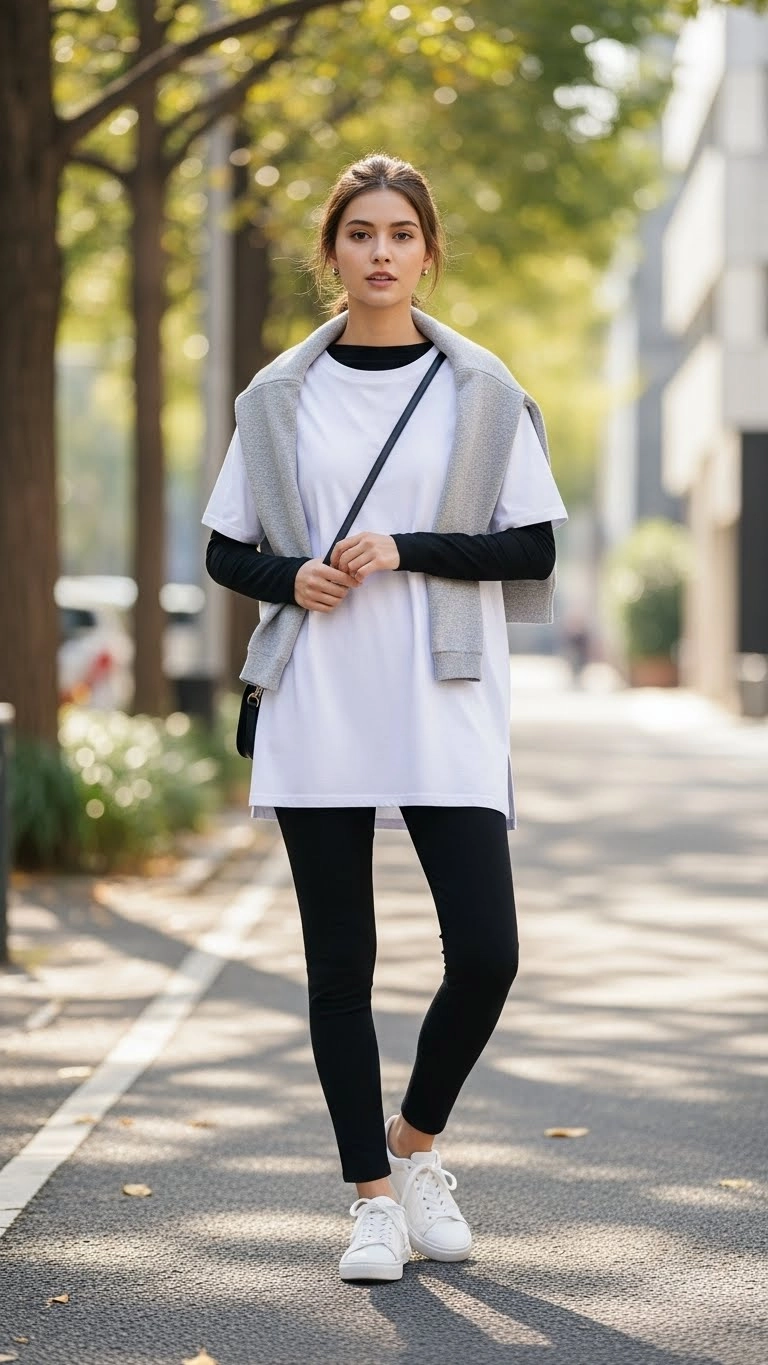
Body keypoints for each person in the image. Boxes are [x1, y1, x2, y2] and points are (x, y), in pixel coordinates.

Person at [202, 153, 567, 1283]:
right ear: (333, 252)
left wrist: (406, 549)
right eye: (358, 232)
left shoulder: (483, 393)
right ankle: (369, 1197)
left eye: (399, 233)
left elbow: (534, 548)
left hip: (446, 693)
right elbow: (225, 547)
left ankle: (416, 1148)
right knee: (337, 966)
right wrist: (290, 579)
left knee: (489, 955)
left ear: (426, 250)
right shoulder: (278, 398)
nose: (378, 252)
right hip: (322, 695)